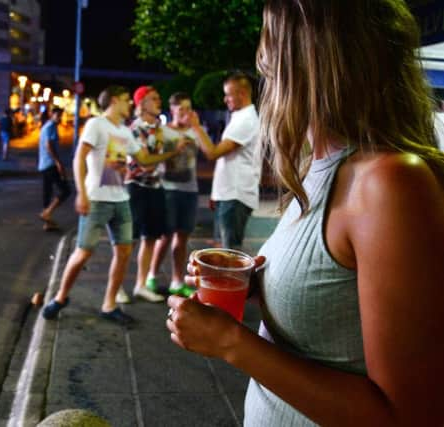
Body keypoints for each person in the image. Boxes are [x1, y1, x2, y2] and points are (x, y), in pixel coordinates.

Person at [167, 1, 444, 426]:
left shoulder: (388, 181)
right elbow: (338, 300)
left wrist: (230, 344)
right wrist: (255, 286)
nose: (267, 82)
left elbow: (407, 416)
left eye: (271, 62)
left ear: (308, 65)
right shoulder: (318, 170)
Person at [42, 85, 189, 325]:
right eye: (124, 100)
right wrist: (81, 193)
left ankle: (109, 304)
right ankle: (60, 297)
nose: (129, 104)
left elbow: (143, 159)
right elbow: (79, 157)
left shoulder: (124, 131)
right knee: (83, 252)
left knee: (123, 253)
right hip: (97, 199)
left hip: (121, 200)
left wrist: (170, 155)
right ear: (112, 101)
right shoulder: (96, 125)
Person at [147, 92, 215, 297]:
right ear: (173, 110)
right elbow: (151, 156)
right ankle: (152, 275)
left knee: (182, 236)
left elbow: (209, 152)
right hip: (167, 189)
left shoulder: (195, 131)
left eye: (189, 107)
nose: (186, 112)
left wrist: (196, 126)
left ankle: (177, 281)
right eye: (181, 108)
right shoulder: (164, 131)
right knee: (165, 236)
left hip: (189, 189)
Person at [122, 86, 167, 303]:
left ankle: (140, 285)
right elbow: (145, 164)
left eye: (158, 98)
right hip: (137, 187)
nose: (159, 101)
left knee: (149, 238)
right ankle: (117, 287)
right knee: (128, 240)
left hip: (155, 187)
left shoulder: (157, 127)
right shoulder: (136, 129)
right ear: (141, 104)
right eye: (154, 98)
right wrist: (170, 153)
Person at [208, 72, 262, 250]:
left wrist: (194, 126)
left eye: (228, 94)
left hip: (236, 194)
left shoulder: (246, 120)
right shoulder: (239, 117)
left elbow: (213, 153)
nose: (225, 99)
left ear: (242, 94)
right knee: (223, 250)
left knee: (230, 252)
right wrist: (216, 194)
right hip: (228, 193)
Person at [37, 107, 71, 231]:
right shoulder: (50, 126)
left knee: (47, 191)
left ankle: (47, 222)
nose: (59, 118)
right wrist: (58, 162)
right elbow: (48, 145)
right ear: (52, 114)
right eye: (58, 115)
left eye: (61, 115)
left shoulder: (46, 126)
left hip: (44, 164)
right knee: (65, 190)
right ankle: (47, 213)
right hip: (50, 164)